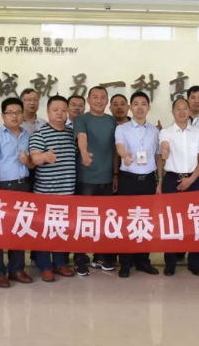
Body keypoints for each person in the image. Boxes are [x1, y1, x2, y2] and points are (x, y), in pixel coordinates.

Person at [0, 97, 34, 288]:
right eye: (10, 112)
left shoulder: (26, 135)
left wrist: (27, 161)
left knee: (19, 229)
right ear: (3, 115)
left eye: (18, 112)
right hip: (2, 187)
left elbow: (31, 164)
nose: (14, 116)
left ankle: (16, 269)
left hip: (22, 186)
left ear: (23, 115)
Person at [115, 91, 162, 278]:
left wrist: (160, 180)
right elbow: (120, 146)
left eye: (143, 104)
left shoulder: (155, 131)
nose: (140, 107)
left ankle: (143, 261)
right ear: (130, 107)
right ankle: (126, 262)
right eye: (136, 104)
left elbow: (158, 157)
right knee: (127, 221)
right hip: (128, 179)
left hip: (148, 180)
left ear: (148, 108)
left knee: (146, 221)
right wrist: (124, 155)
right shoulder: (122, 129)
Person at [30, 96, 77, 282]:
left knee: (61, 230)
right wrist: (44, 157)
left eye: (63, 110)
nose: (60, 113)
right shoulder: (40, 134)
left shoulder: (71, 134)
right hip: (45, 194)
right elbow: (34, 158)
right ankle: (44, 266)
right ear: (48, 112)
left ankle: (59, 263)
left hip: (67, 193)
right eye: (55, 109)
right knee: (44, 231)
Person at [159, 97, 199, 276]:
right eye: (177, 108)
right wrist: (165, 151)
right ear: (173, 112)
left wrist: (191, 180)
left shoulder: (198, 134)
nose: (181, 111)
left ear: (189, 111)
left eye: (184, 108)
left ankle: (194, 263)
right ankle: (170, 263)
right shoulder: (166, 132)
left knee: (194, 223)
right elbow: (164, 145)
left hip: (193, 180)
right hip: (172, 180)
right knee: (171, 222)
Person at [73, 86, 118, 275]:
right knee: (83, 220)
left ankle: (99, 256)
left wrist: (115, 174)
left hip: (106, 178)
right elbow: (82, 138)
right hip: (86, 178)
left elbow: (115, 149)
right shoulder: (81, 119)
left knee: (103, 220)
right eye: (95, 97)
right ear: (89, 100)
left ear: (107, 101)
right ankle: (79, 258)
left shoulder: (111, 121)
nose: (99, 101)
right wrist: (84, 153)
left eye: (102, 97)